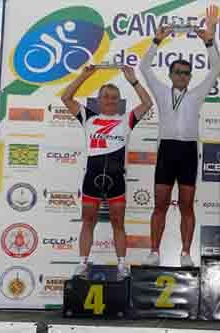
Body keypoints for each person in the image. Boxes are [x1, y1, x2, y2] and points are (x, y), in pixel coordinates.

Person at [139, 5, 220, 267]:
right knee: (160, 204)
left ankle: (186, 254)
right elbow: (144, 66)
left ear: (190, 77)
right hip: (167, 151)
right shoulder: (161, 91)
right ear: (171, 74)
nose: (182, 76)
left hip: (187, 152)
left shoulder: (196, 94)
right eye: (178, 72)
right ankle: (154, 252)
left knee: (187, 205)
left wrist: (208, 41)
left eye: (186, 73)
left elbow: (217, 67)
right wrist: (157, 40)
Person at [61, 65, 153, 279]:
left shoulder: (126, 120)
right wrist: (84, 75)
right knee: (88, 221)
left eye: (114, 97)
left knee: (118, 223)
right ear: (99, 99)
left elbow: (147, 103)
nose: (110, 100)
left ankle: (122, 264)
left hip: (116, 179)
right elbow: (66, 97)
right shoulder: (88, 117)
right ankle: (82, 263)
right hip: (92, 177)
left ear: (119, 101)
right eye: (106, 96)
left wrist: (133, 80)